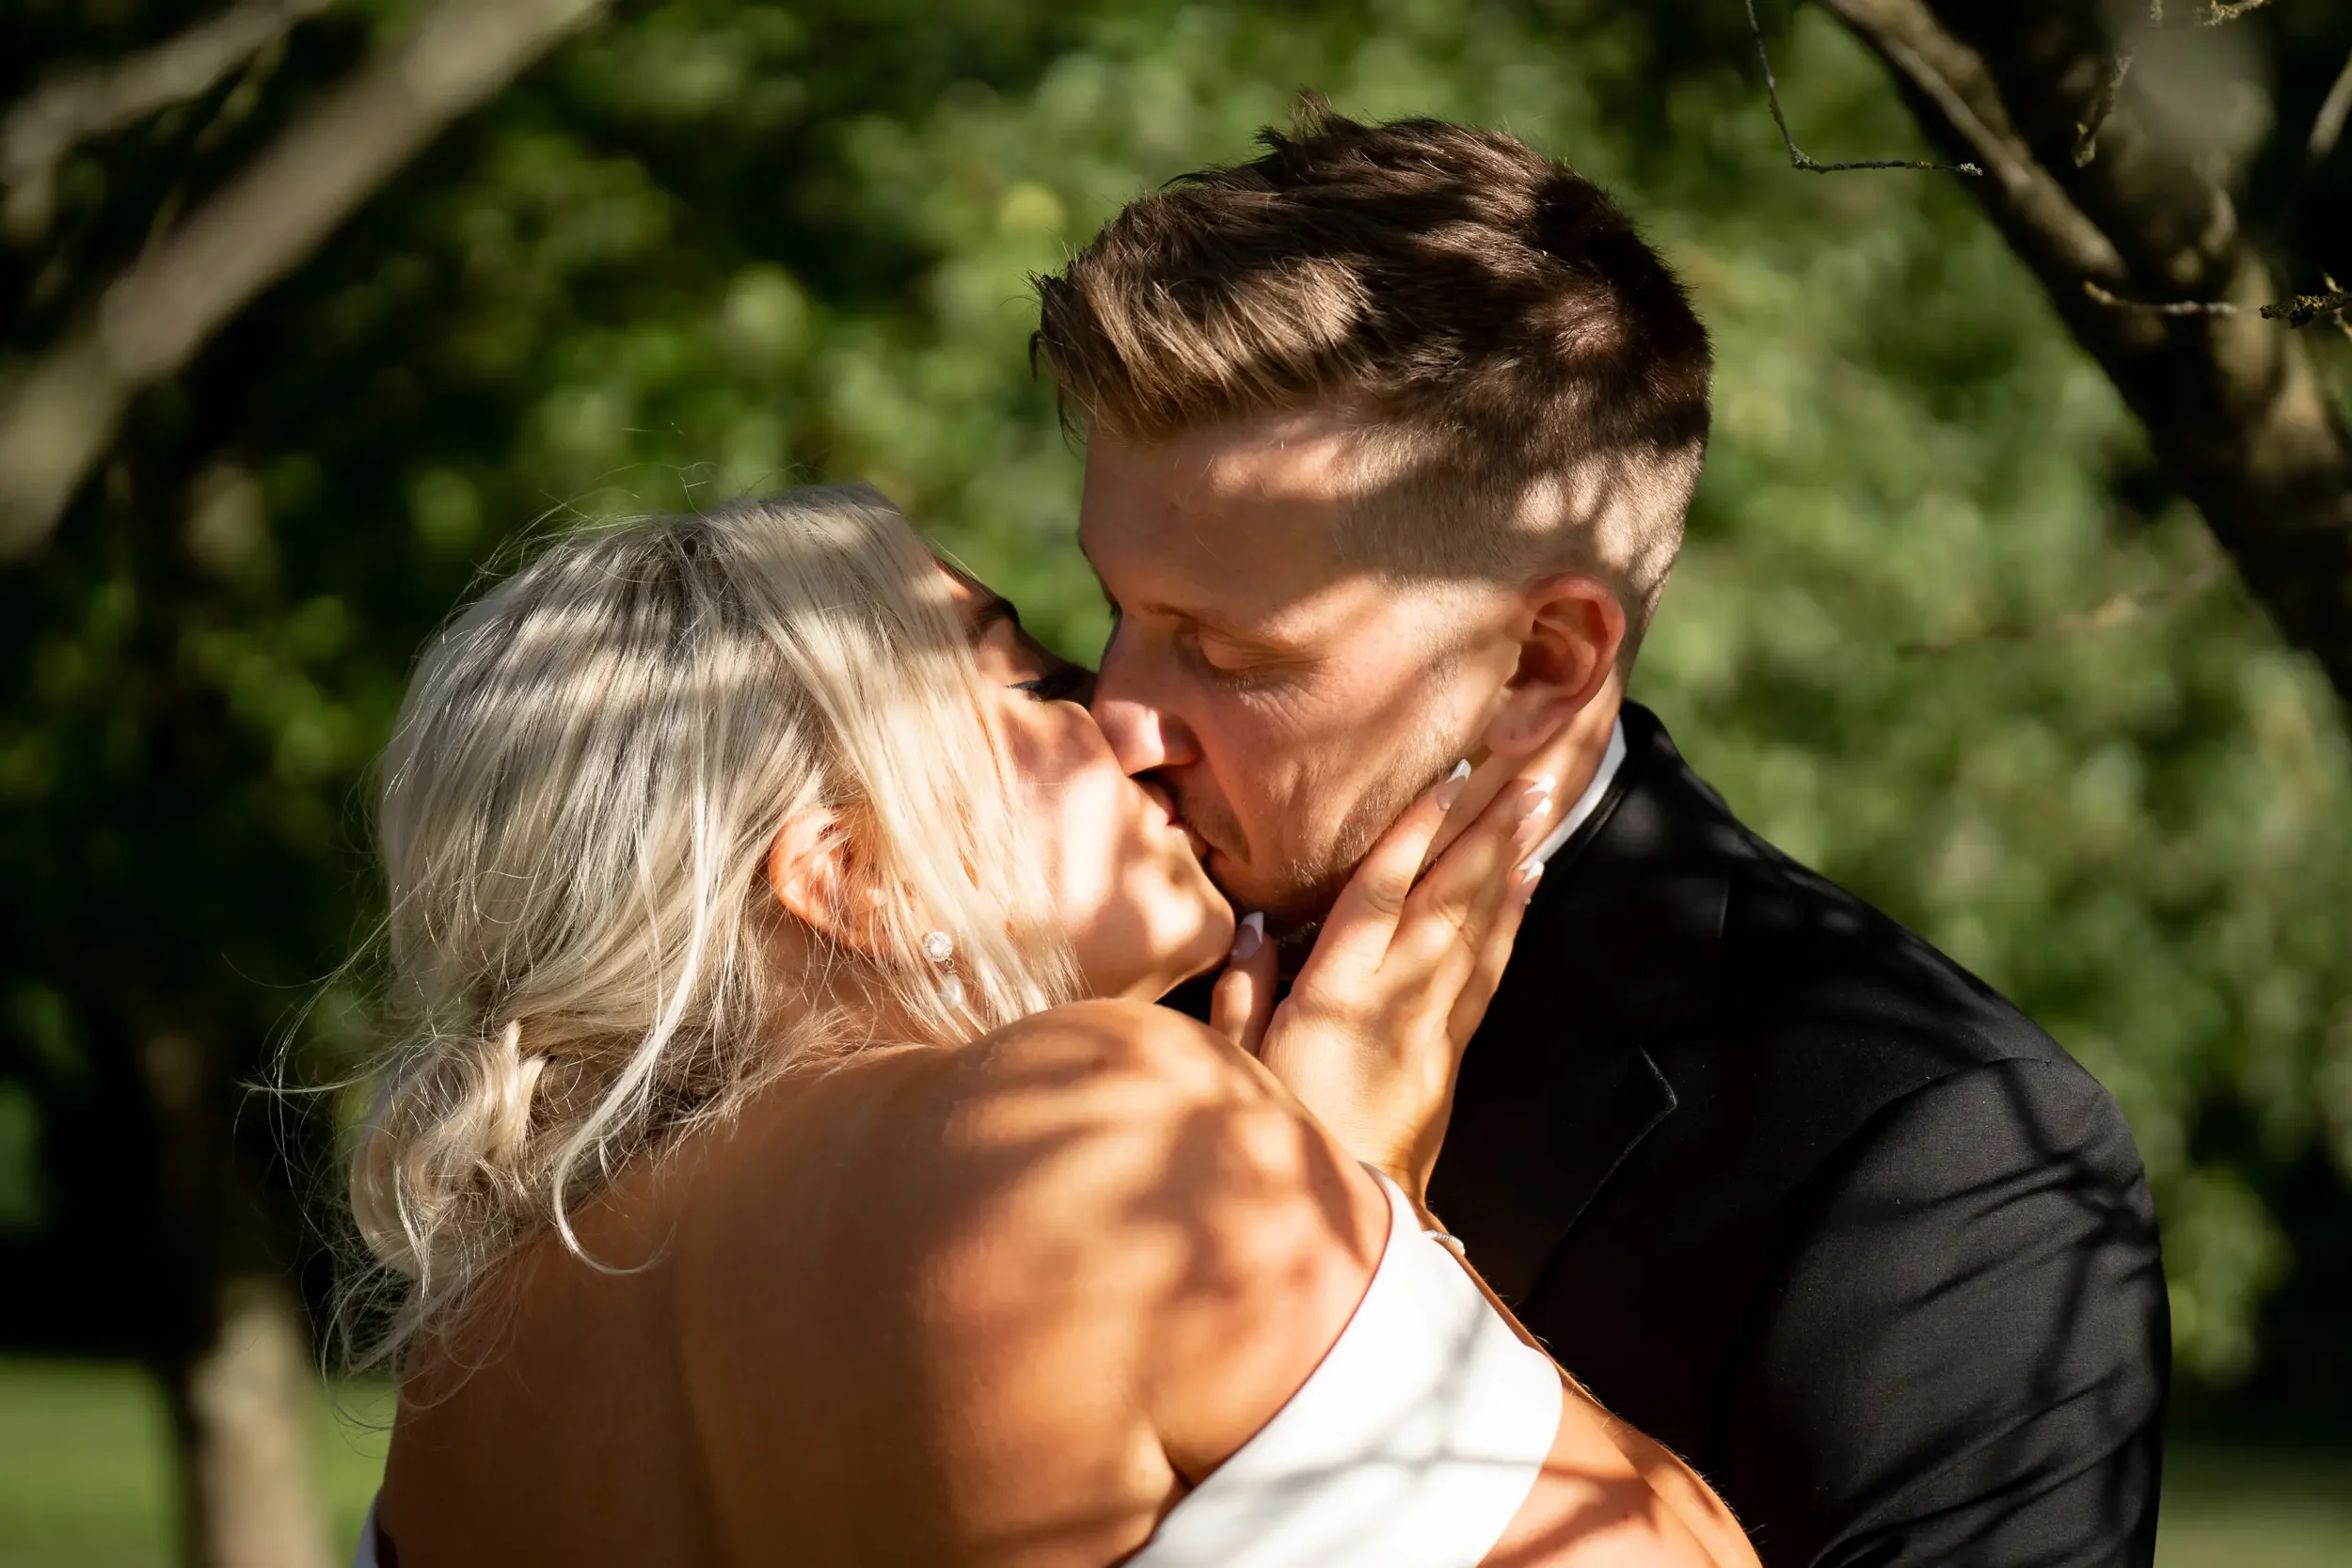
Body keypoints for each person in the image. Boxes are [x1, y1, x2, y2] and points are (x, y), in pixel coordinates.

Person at [1037, 103, 2169, 1566]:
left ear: (1540, 665)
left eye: (1228, 652)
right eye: (1116, 610)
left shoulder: (1929, 1150)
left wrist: (1358, 1270)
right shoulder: (1058, 956)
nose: (1117, 717)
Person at [344, 486, 1759, 1567]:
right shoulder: (1087, 1127)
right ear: (849, 873)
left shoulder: (465, 1388)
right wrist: (1369, 1195)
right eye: (1032, 684)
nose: (1123, 720)